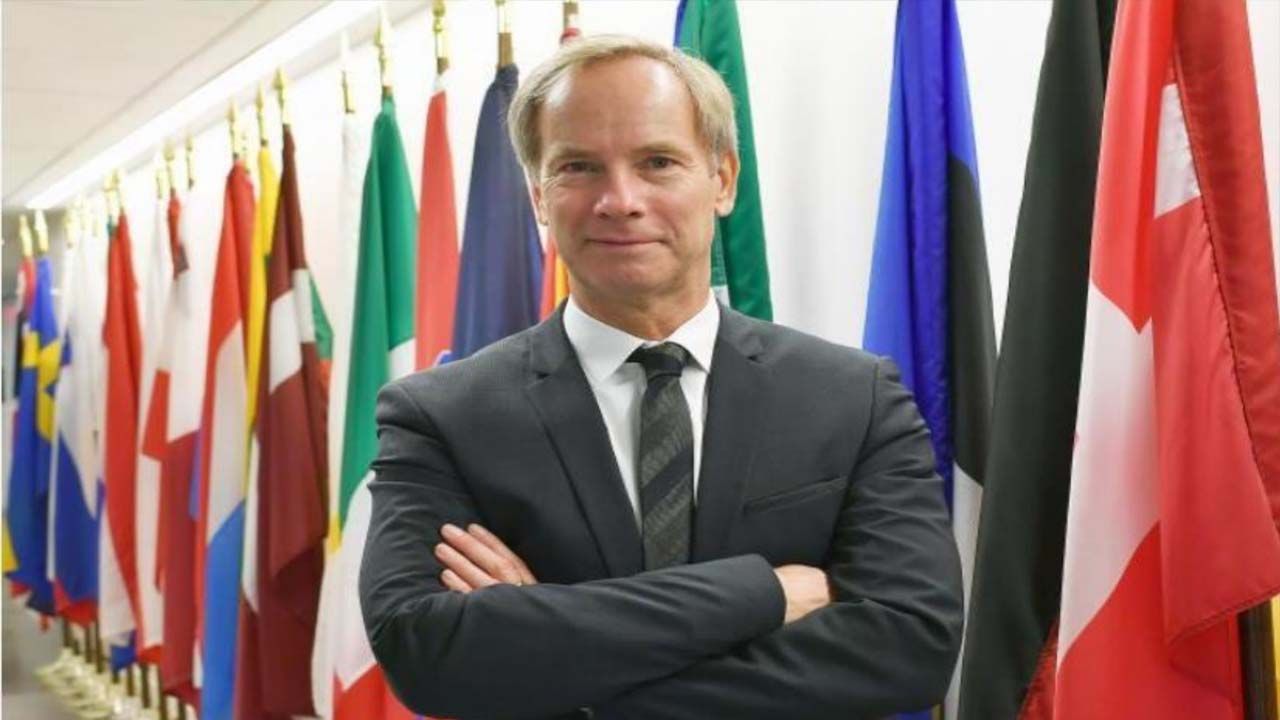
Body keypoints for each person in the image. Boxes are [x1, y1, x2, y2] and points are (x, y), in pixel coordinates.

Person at [360, 34, 962, 720]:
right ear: (537, 196)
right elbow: (425, 650)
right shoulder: (442, 416)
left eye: (658, 162)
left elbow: (911, 649)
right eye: (579, 167)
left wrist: (557, 662)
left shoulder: (852, 398)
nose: (620, 199)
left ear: (723, 180)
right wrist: (763, 593)